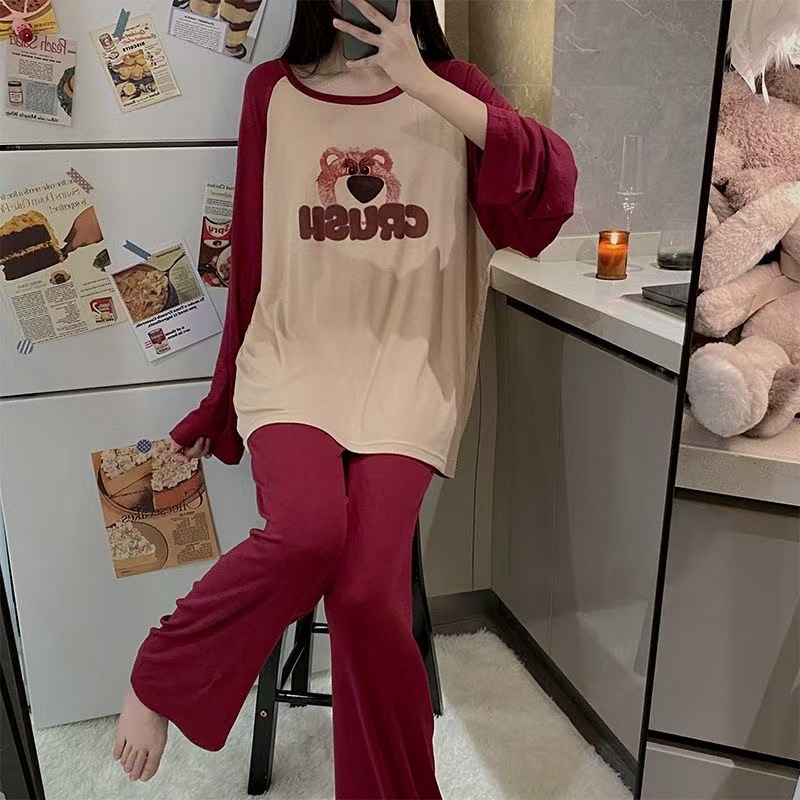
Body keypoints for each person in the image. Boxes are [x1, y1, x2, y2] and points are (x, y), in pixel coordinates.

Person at [112, 0, 577, 796]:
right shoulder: (270, 91)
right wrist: (221, 401)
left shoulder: (453, 88)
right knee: (307, 536)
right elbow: (253, 258)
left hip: (408, 375)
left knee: (365, 597)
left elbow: (549, 195)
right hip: (292, 362)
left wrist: (421, 83)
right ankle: (160, 673)